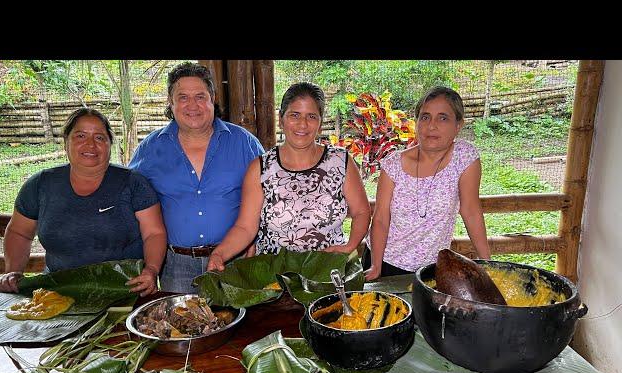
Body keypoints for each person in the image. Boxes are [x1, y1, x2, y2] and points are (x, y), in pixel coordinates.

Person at [0, 108, 167, 297]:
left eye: (99, 138)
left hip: (124, 290)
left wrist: (151, 270)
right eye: (81, 136)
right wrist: (13, 271)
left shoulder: (133, 183)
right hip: (58, 292)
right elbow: (19, 232)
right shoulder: (40, 184)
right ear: (66, 142)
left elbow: (154, 233)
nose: (90, 145)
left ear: (109, 144)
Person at [206, 82, 371, 272]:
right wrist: (220, 254)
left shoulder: (340, 161)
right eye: (295, 115)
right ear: (281, 119)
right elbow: (245, 227)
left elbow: (361, 211)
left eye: (311, 116)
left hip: (327, 273)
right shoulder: (261, 168)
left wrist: (349, 247)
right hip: (274, 277)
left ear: (319, 123)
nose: (303, 124)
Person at [129, 62, 264, 293]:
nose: (192, 105)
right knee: (182, 326)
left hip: (235, 260)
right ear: (170, 103)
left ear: (213, 99)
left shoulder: (245, 143)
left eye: (200, 96)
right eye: (182, 97)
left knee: (239, 326)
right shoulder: (149, 150)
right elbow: (133, 203)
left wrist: (256, 237)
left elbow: (270, 197)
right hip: (175, 264)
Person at [364, 86, 490, 281]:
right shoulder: (393, 164)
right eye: (425, 117)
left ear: (458, 125)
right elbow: (380, 217)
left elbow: (471, 211)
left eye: (443, 118)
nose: (431, 126)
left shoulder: (464, 157)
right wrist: (376, 265)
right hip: (384, 262)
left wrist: (488, 264)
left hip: (432, 268)